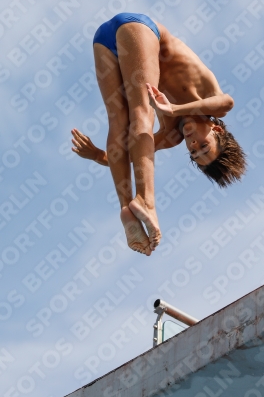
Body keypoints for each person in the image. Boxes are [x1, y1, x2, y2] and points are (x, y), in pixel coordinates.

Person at [71, 13, 246, 256]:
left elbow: (135, 153)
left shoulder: (172, 135)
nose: (193, 144)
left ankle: (127, 209)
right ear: (216, 130)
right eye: (204, 146)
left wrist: (97, 155)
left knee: (120, 122)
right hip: (138, 29)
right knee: (142, 111)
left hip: (102, 40)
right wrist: (173, 109)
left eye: (194, 153)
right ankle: (146, 201)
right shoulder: (208, 99)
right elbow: (227, 104)